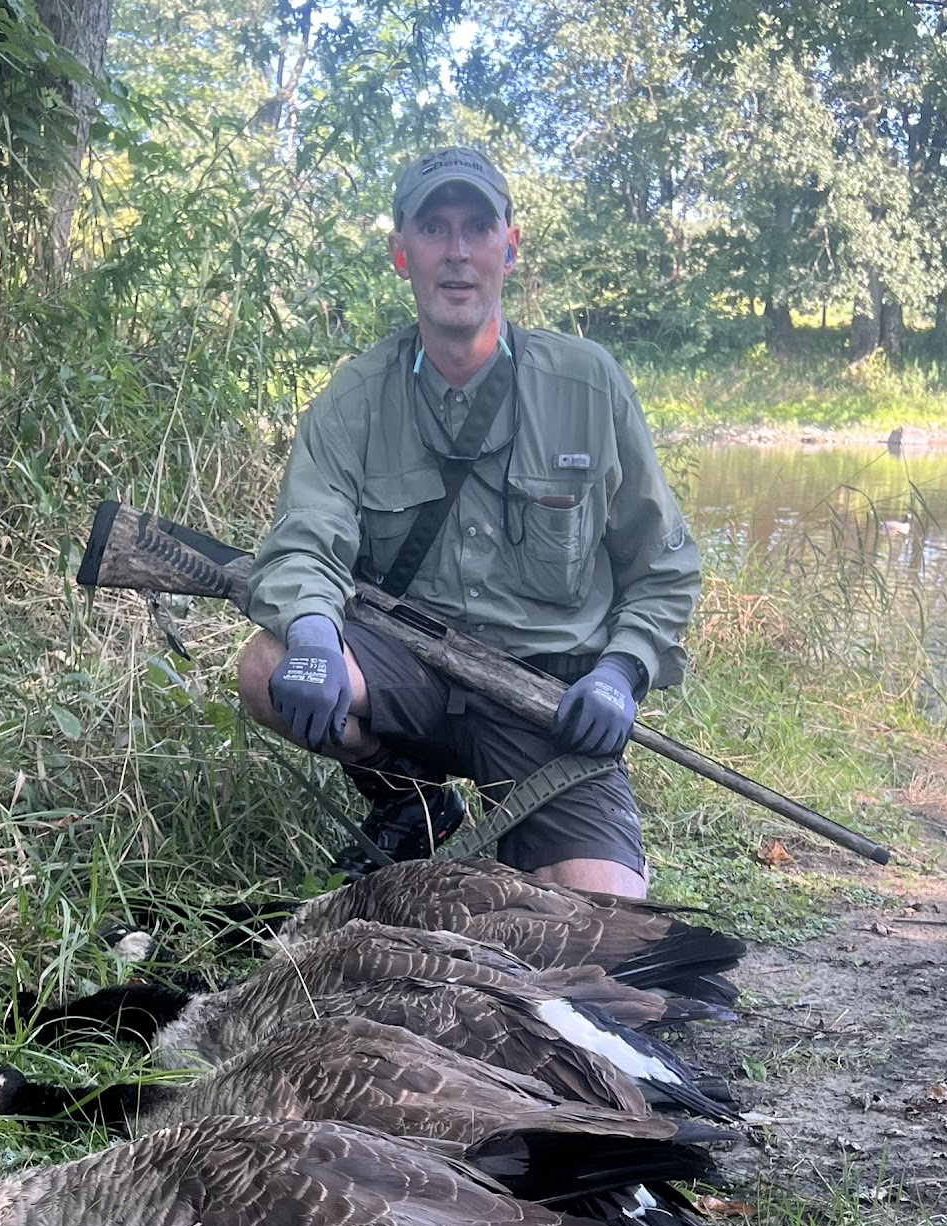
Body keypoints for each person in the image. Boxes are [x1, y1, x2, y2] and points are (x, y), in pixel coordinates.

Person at [237, 147, 700, 898]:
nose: (456, 253)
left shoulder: (588, 383)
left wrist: (622, 672)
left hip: (545, 705)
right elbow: (304, 543)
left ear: (509, 249)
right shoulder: (354, 396)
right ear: (401, 254)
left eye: (477, 228)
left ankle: (520, 827)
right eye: (433, 228)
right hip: (410, 675)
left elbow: (664, 564)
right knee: (267, 664)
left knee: (608, 918)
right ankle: (414, 804)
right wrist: (316, 634)